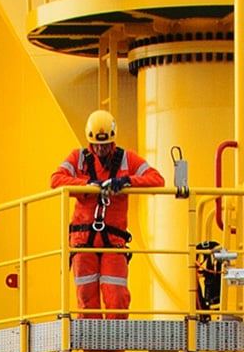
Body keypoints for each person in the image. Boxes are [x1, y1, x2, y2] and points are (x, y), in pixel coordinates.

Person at [49, 108, 167, 319]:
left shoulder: (127, 159)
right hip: (83, 243)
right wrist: (87, 185)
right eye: (96, 145)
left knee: (117, 297)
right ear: (90, 142)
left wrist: (126, 181)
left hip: (113, 243)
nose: (100, 149)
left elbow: (157, 179)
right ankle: (92, 349)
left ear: (112, 141)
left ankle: (114, 350)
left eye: (104, 145)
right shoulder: (78, 158)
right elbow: (56, 180)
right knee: (86, 299)